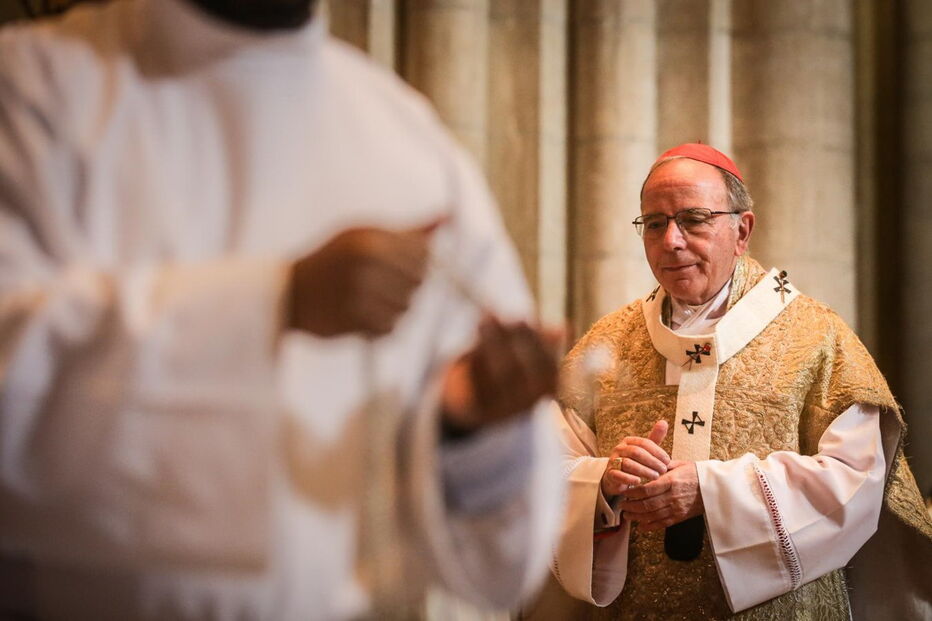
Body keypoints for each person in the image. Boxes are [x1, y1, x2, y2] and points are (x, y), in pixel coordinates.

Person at [0, 0, 566, 618]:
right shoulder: (32, 85)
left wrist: (474, 422)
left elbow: (503, 541)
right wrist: (275, 302)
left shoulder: (410, 141)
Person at [548, 143, 932, 619]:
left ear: (742, 229)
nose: (671, 241)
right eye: (654, 223)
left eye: (693, 219)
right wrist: (601, 482)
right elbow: (534, 469)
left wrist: (710, 491)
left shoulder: (816, 337)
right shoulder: (606, 346)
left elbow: (858, 481)